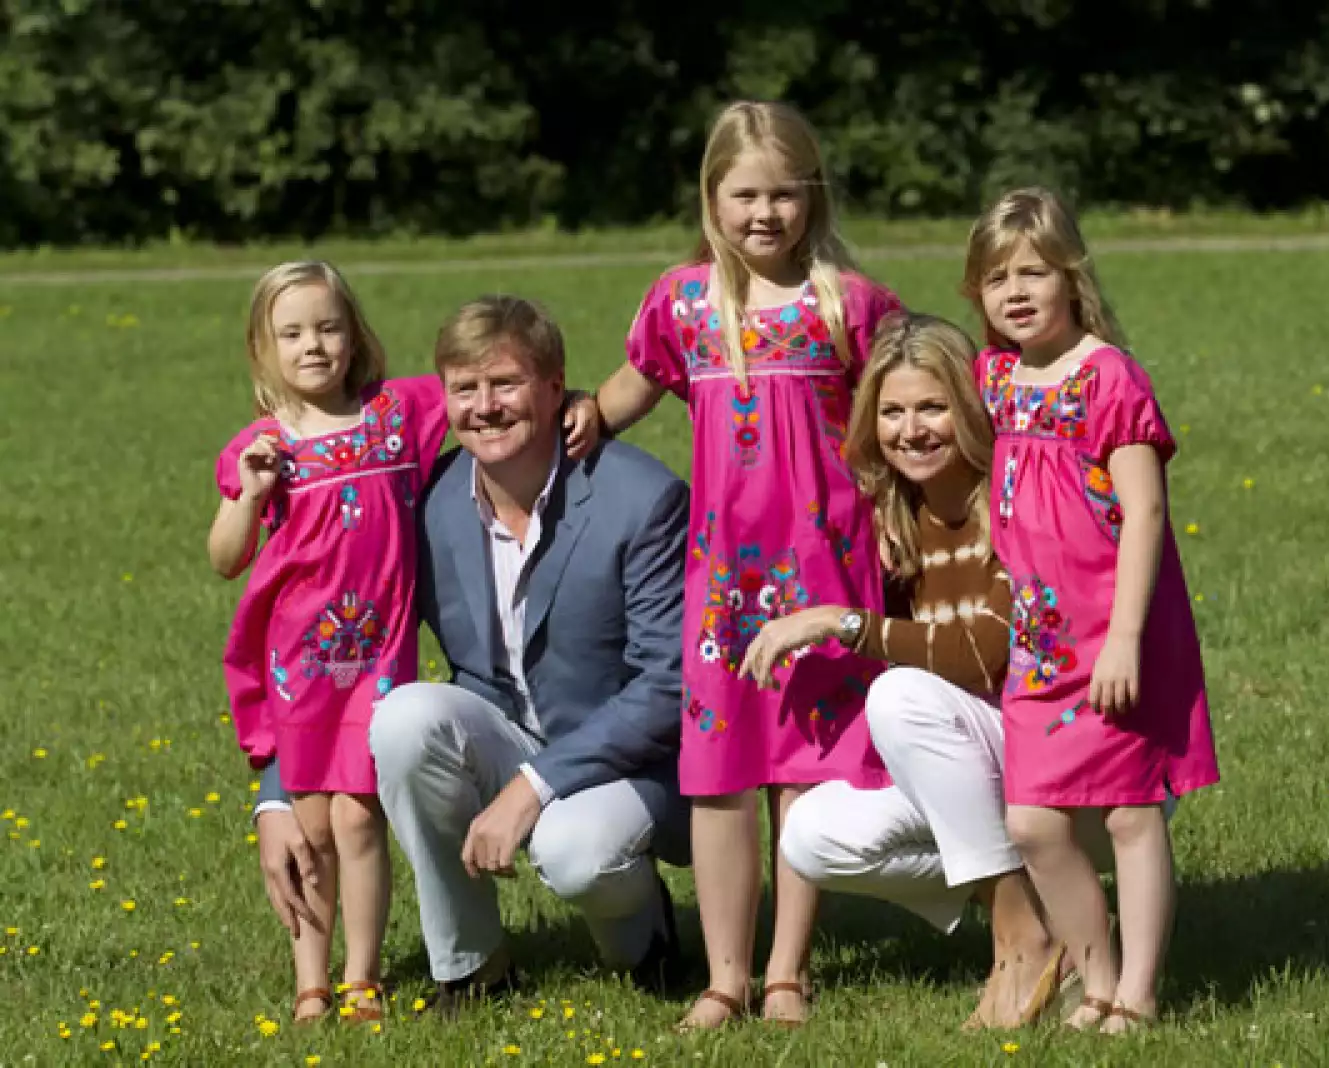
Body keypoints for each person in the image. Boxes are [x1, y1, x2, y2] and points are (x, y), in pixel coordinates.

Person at [254, 294, 691, 1013]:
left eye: (506, 384)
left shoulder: (643, 498)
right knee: (403, 717)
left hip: (629, 760)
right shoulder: (426, 503)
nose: (485, 407)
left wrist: (533, 788)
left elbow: (667, 685)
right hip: (505, 728)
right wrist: (277, 797)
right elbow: (332, 653)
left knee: (573, 853)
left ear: (556, 390)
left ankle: (647, 938)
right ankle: (470, 964)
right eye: (465, 388)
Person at [569, 100, 902, 1030]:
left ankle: (788, 969)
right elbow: (641, 378)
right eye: (745, 195)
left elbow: (909, 401)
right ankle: (726, 976)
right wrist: (595, 411)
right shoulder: (684, 300)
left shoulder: (851, 303)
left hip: (827, 568)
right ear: (712, 200)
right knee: (720, 775)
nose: (765, 214)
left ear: (813, 197)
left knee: (805, 769)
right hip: (724, 582)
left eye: (783, 195)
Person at [741, 312, 1064, 1029]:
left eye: (931, 407)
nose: (910, 429)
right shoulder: (887, 514)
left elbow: (987, 655)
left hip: (1068, 763)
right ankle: (1037, 909)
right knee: (812, 835)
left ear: (969, 410)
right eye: (892, 411)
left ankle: (1024, 938)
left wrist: (841, 622)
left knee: (901, 696)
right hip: (974, 761)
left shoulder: (1015, 492)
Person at [965, 187, 1219, 1033]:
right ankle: (1095, 974)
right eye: (997, 278)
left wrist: (1125, 640)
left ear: (1071, 276)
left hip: (1116, 635)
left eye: (1033, 271)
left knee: (1128, 810)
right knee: (1032, 821)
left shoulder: (1109, 376)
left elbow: (1144, 512)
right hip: (1039, 639)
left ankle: (1137, 994)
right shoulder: (994, 377)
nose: (1016, 292)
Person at [210, 260, 451, 1023]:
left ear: (355, 335)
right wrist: (249, 495)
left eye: (328, 327)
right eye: (292, 333)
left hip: (380, 657)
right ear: (263, 349)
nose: (313, 345)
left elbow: (487, 381)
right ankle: (309, 980)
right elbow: (224, 559)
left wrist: (564, 398)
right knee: (311, 826)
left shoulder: (400, 413)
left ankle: (362, 977)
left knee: (358, 817)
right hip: (301, 666)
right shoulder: (265, 445)